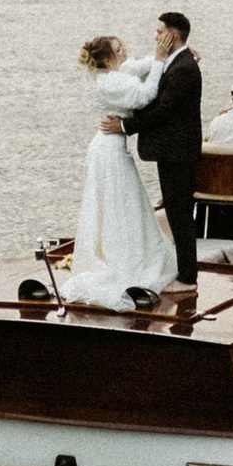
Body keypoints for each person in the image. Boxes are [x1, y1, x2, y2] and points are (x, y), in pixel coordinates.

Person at [65, 34, 175, 307]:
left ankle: (125, 253)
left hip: (111, 148)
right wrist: (162, 60)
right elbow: (144, 95)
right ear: (106, 59)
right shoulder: (111, 82)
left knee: (124, 203)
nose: (124, 49)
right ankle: (121, 262)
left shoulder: (117, 72)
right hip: (109, 152)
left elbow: (138, 66)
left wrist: (164, 57)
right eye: (118, 48)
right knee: (119, 205)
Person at [132, 9, 204, 289]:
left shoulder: (184, 68)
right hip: (173, 152)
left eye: (159, 32)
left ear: (172, 36)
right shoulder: (178, 62)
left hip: (179, 153)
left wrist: (126, 126)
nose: (155, 36)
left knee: (180, 213)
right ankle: (185, 271)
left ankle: (188, 277)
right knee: (176, 210)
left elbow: (163, 109)